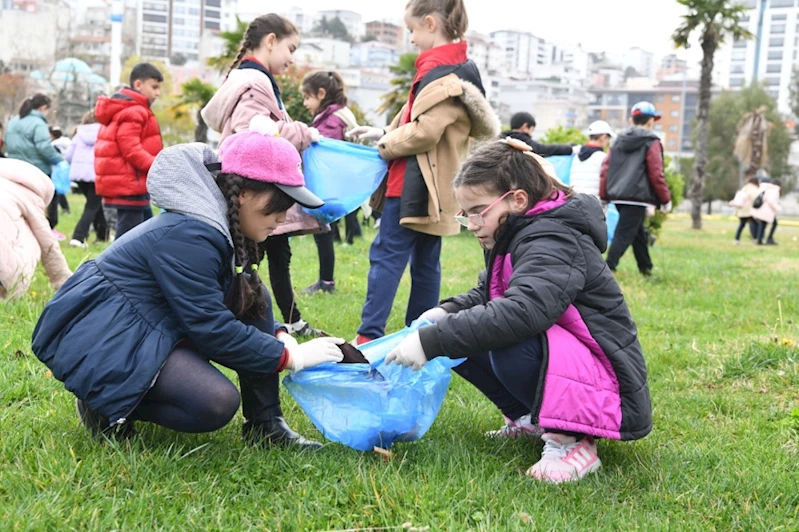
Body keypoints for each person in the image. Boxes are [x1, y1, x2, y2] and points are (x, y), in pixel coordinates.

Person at [31, 117, 345, 447]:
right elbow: (212, 329)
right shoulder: (192, 234)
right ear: (244, 194)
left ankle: (265, 425)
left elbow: (220, 306)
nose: (283, 217)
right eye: (278, 204)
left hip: (147, 324)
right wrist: (289, 357)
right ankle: (105, 402)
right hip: (103, 336)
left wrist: (279, 333)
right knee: (215, 403)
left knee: (254, 293)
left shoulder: (214, 226)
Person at [385, 139, 652, 483]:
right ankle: (529, 419)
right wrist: (442, 314)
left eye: (478, 211)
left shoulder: (552, 237)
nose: (473, 223)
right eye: (465, 214)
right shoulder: (517, 231)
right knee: (462, 331)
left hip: (610, 384)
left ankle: (572, 442)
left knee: (507, 339)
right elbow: (487, 294)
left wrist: (433, 340)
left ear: (518, 199)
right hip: (578, 364)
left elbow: (524, 311)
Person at [347, 0, 499, 344]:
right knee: (426, 263)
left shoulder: (441, 73)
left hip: (413, 185)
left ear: (430, 24)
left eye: (412, 29)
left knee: (386, 257)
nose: (411, 38)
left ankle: (368, 336)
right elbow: (417, 121)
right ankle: (418, 336)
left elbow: (423, 132)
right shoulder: (456, 68)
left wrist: (385, 142)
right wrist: (383, 130)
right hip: (439, 187)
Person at [202, 13, 324, 337]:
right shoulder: (256, 82)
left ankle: (267, 321)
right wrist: (300, 131)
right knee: (257, 259)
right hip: (261, 188)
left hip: (257, 189)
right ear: (271, 41)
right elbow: (252, 131)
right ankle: (258, 321)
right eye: (291, 48)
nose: (292, 58)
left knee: (257, 259)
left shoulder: (249, 79)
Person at [299, 70, 360, 295]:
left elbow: (325, 148)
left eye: (307, 97)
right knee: (324, 230)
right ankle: (325, 281)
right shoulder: (334, 114)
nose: (305, 102)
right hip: (336, 183)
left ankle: (326, 282)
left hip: (331, 185)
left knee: (323, 231)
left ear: (321, 94)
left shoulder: (332, 119)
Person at [600, 101, 671, 276]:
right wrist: (665, 198)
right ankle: (607, 269)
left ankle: (646, 268)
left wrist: (604, 194)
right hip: (638, 196)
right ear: (651, 121)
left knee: (637, 232)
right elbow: (656, 172)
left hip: (618, 194)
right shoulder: (651, 142)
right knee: (624, 233)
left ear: (632, 120)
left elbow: (606, 168)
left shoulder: (616, 141)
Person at [95, 62, 164, 239]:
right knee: (128, 240)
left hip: (131, 185)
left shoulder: (128, 109)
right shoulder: (134, 111)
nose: (158, 93)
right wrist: (158, 165)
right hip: (129, 186)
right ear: (138, 84)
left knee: (146, 235)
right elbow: (131, 150)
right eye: (154, 87)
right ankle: (117, 267)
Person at [0, 158, 71, 300]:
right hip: (5, 270)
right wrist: (64, 281)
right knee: (34, 236)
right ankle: (11, 288)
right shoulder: (28, 194)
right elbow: (48, 243)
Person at [3, 94, 65, 239]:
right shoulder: (38, 123)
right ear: (43, 107)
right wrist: (58, 160)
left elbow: (7, 141)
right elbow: (43, 147)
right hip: (36, 169)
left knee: (18, 202)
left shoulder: (14, 121)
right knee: (49, 199)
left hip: (14, 168)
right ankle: (48, 229)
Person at [65, 111, 107, 247]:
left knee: (94, 204)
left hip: (80, 175)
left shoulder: (79, 133)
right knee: (92, 206)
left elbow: (68, 155)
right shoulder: (105, 132)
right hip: (98, 173)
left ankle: (103, 235)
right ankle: (78, 237)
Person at [569, 120, 613, 198]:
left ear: (589, 137)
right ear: (604, 137)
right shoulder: (602, 157)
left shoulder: (576, 157)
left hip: (575, 201)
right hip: (594, 203)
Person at [499, 112, 574, 157]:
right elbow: (544, 150)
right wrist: (570, 149)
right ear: (525, 126)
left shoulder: (500, 139)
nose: (532, 135)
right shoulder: (523, 142)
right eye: (532, 130)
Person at [728, 177, 760, 245]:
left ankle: (737, 239)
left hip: (741, 209)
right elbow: (755, 198)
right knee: (755, 223)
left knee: (742, 225)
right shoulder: (754, 189)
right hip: (749, 210)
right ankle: (755, 238)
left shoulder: (745, 187)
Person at [751, 178, 782, 246]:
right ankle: (769, 238)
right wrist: (778, 208)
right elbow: (771, 201)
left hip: (761, 210)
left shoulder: (765, 188)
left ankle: (759, 240)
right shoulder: (774, 190)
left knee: (762, 225)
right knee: (773, 224)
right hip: (767, 211)